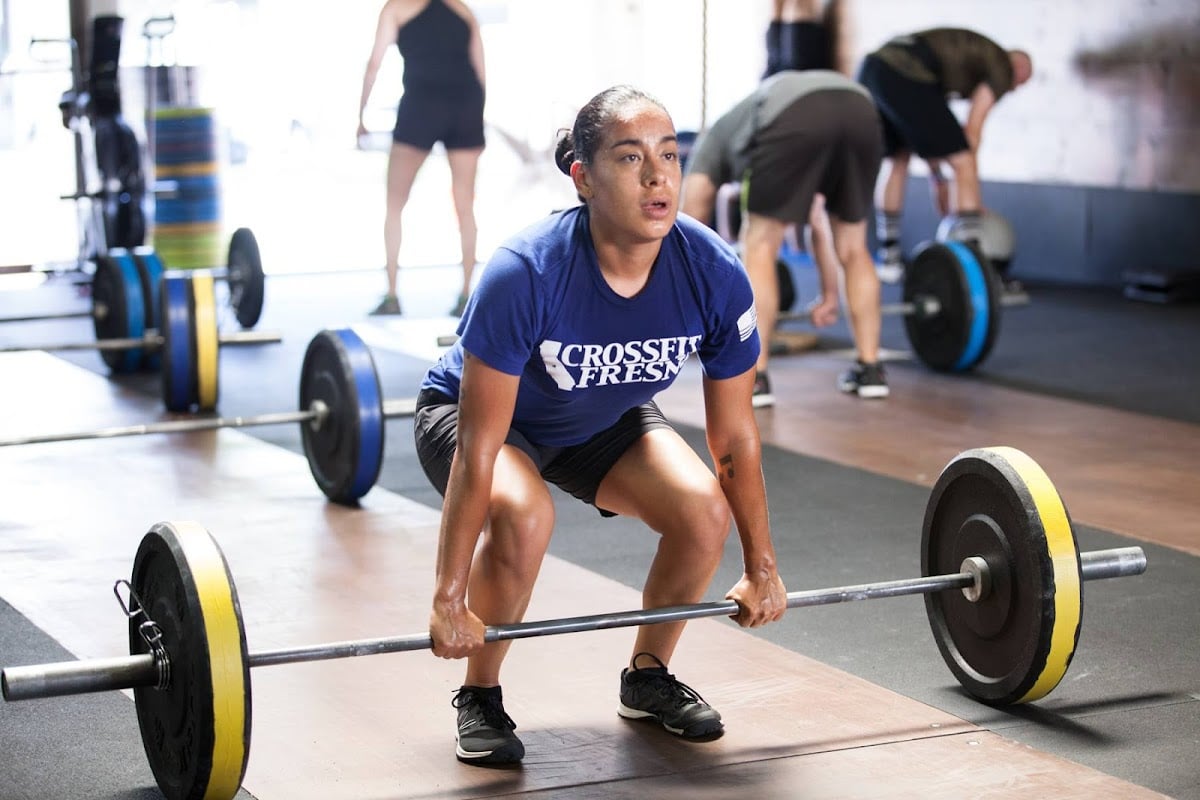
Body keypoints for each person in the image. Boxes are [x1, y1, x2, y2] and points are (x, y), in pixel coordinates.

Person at [412, 85, 788, 766]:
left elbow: (734, 438)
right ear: (582, 178)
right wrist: (449, 595)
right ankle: (482, 694)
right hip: (484, 422)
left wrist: (762, 568)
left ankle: (648, 677)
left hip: (601, 413)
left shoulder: (713, 273)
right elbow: (479, 446)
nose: (657, 176)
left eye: (670, 156)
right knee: (525, 517)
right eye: (629, 158)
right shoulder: (525, 273)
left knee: (703, 511)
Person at [681, 70, 888, 403]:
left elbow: (691, 214)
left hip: (797, 112)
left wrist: (685, 292)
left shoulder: (714, 139)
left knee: (760, 243)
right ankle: (871, 370)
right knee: (854, 246)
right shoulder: (755, 115)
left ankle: (756, 376)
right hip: (861, 109)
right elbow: (820, 222)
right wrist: (829, 293)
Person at [856, 28, 1033, 280]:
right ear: (1018, 69)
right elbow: (972, 133)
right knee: (964, 159)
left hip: (872, 69)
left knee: (897, 159)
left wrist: (938, 179)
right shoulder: (1002, 68)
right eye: (1019, 84)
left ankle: (889, 261)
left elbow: (928, 134)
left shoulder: (966, 63)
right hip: (904, 73)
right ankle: (973, 267)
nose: (1013, 90)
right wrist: (972, 198)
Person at [357, 0, 486, 317]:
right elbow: (480, 70)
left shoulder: (396, 8)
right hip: (465, 105)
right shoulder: (462, 9)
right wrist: (475, 116)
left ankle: (391, 295)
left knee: (395, 203)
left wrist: (360, 116)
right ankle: (467, 296)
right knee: (465, 206)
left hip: (421, 105)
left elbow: (374, 64)